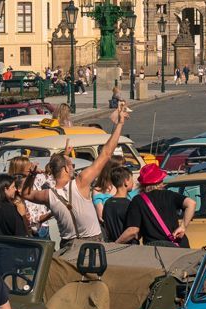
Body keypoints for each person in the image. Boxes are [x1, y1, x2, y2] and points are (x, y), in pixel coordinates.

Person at [27, 103, 131, 242]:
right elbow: (106, 153)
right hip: (92, 242)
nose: (73, 168)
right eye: (72, 165)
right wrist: (119, 124)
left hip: (68, 245)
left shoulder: (48, 195)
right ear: (65, 169)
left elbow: (25, 193)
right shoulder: (81, 182)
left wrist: (31, 176)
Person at [131, 163, 194, 246]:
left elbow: (134, 230)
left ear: (142, 184)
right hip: (177, 245)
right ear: (160, 181)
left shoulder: (138, 200)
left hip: (155, 248)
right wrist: (182, 227)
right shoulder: (170, 195)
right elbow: (191, 203)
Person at [100, 162, 140, 243]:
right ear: (126, 182)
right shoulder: (129, 204)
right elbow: (133, 231)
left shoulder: (108, 203)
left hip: (111, 245)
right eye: (131, 180)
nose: (133, 183)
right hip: (127, 247)